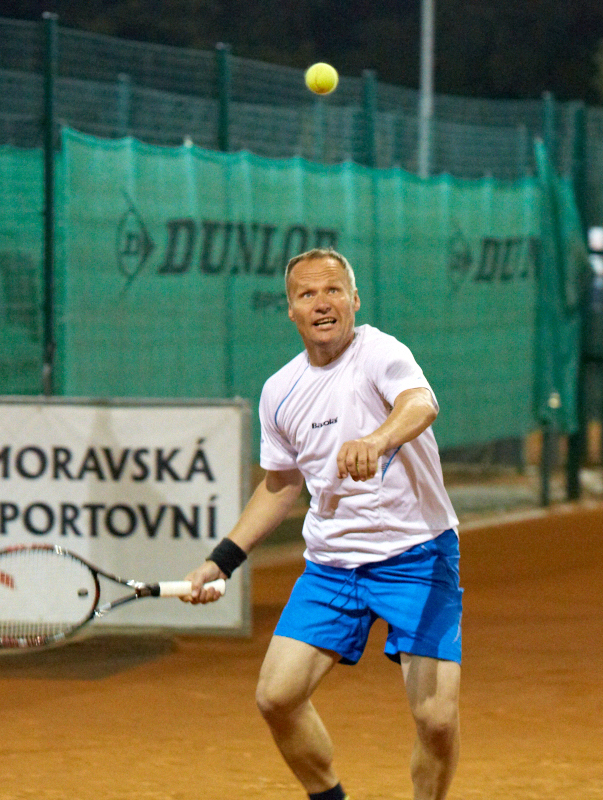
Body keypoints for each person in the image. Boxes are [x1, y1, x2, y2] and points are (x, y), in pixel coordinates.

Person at [184, 248, 462, 800]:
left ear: (354, 300)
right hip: (333, 567)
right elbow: (280, 485)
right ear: (290, 310)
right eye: (307, 294)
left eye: (333, 290)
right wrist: (222, 561)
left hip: (417, 555)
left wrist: (378, 439)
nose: (322, 303)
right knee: (276, 697)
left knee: (436, 719)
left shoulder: (380, 352)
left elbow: (421, 403)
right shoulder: (279, 391)